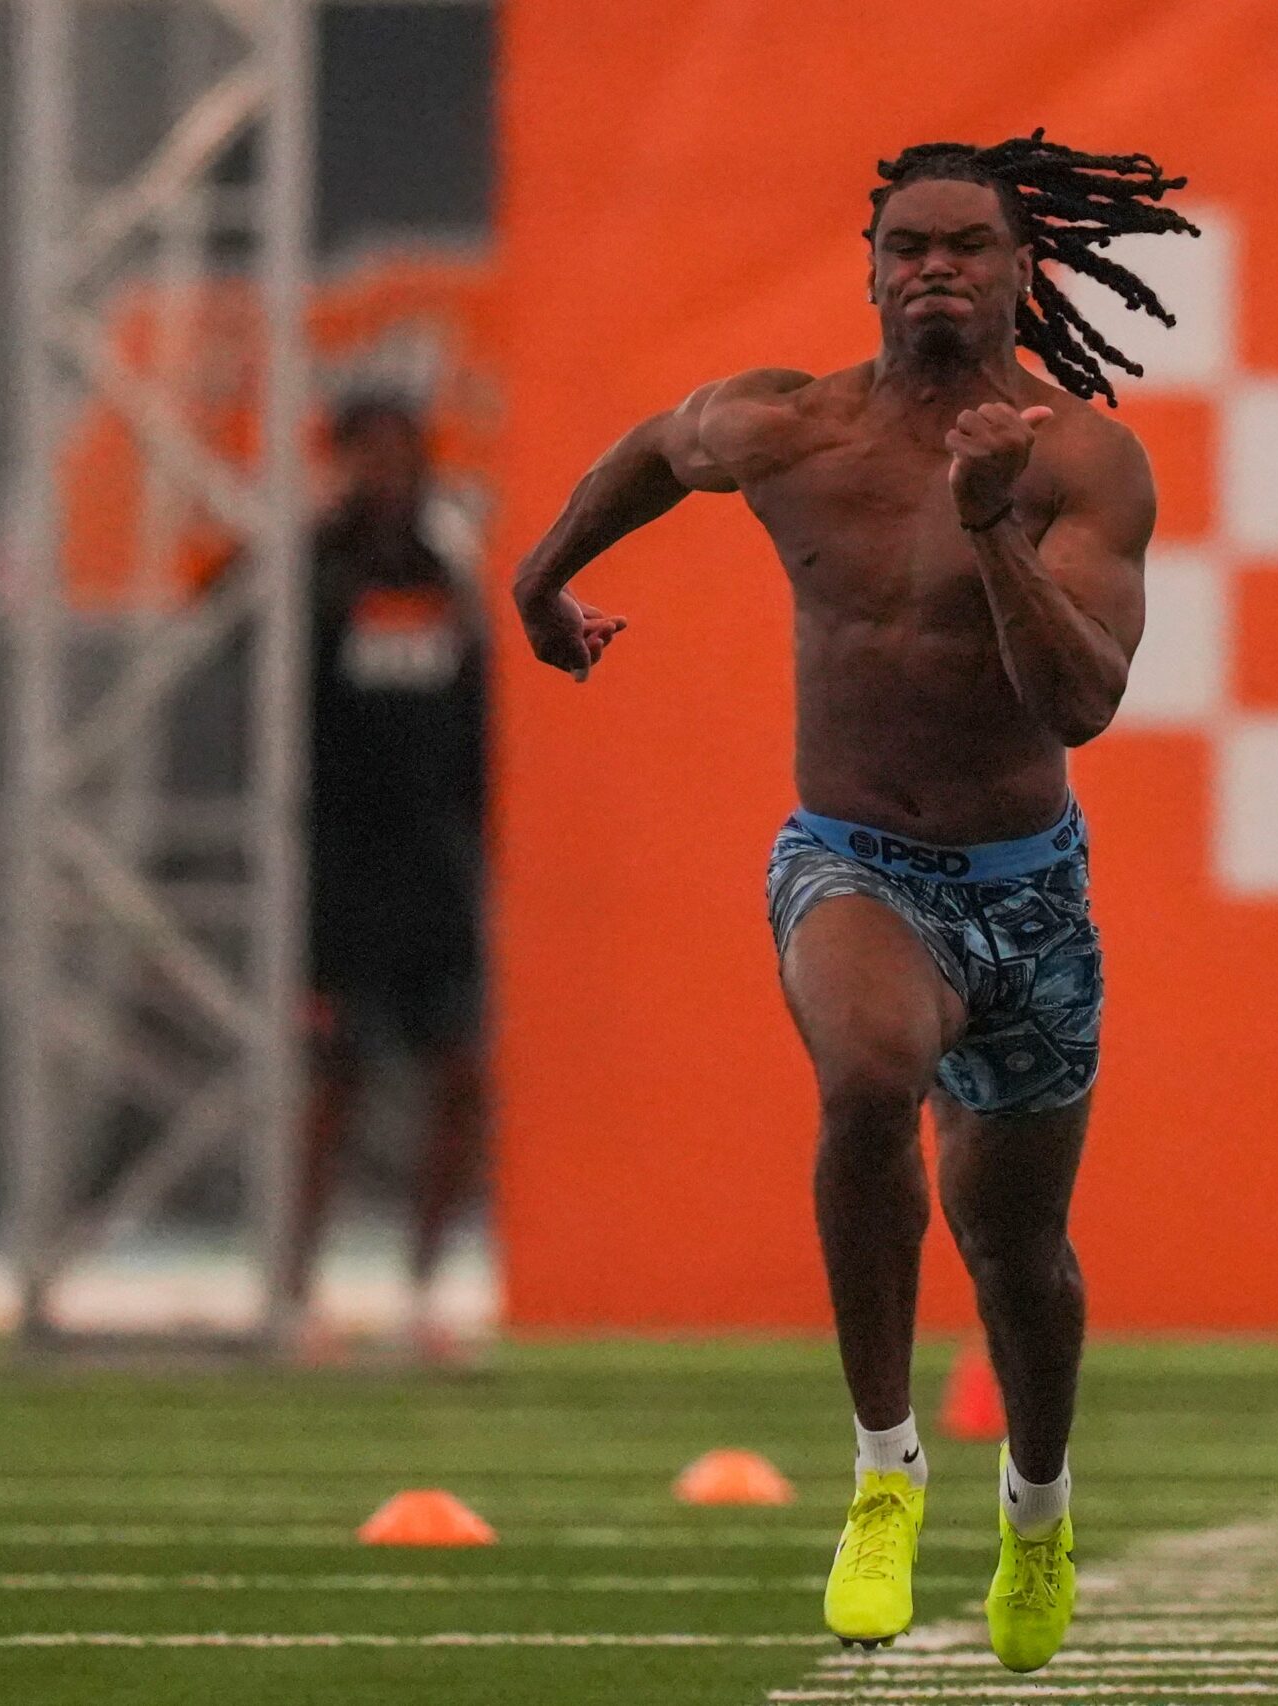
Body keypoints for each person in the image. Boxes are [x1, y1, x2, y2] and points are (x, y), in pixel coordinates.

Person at [507, 133, 1197, 1670]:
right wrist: (542, 581)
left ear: (1025, 272)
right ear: (874, 269)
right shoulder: (793, 426)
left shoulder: (1084, 463)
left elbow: (1081, 702)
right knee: (870, 1072)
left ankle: (1038, 1502)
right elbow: (654, 450)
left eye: (969, 246)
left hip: (1028, 895)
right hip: (854, 857)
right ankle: (886, 1470)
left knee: (1017, 1247)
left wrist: (993, 524)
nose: (937, 269)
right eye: (910, 246)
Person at [281, 393, 491, 1364]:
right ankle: (298, 1291)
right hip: (338, 872)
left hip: (434, 870)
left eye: (400, 451)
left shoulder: (444, 571)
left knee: (460, 1076)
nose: (385, 471)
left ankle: (423, 1292)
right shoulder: (308, 571)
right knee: (335, 1079)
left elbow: (475, 720)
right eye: (365, 452)